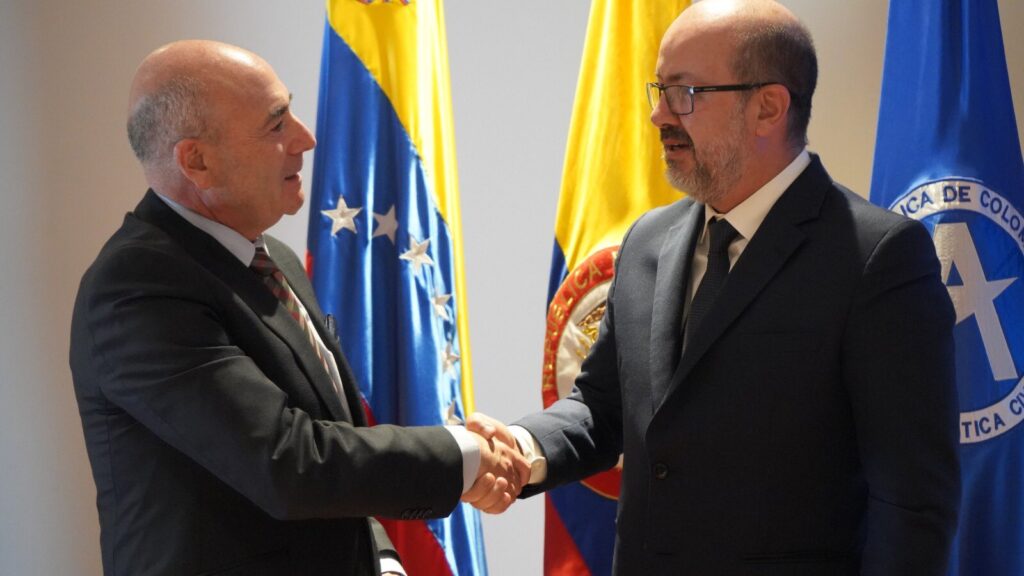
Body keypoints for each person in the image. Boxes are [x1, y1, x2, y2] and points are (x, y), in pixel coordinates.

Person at [468, 1, 961, 573]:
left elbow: (913, 504)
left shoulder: (876, 257)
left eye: (685, 93)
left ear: (768, 107)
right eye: (660, 90)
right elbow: (603, 408)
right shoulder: (648, 240)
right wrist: (521, 450)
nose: (659, 116)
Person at [70, 40, 527, 576]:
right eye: (276, 123)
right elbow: (285, 462)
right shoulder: (138, 288)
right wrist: (464, 455)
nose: (306, 139)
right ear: (197, 160)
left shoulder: (272, 257)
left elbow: (335, 437)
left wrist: (381, 559)